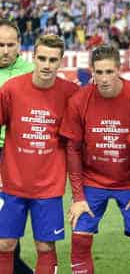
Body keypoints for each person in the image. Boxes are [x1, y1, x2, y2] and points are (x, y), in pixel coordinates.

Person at [60, 46, 130, 274]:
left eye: (109, 72)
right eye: (98, 72)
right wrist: (79, 196)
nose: (103, 79)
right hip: (93, 181)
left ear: (119, 69)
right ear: (91, 70)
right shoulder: (79, 100)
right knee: (79, 238)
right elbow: (73, 149)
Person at [0, 35, 79, 274]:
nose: (47, 64)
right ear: (32, 57)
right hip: (12, 183)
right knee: (5, 243)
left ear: (60, 62)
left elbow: (76, 139)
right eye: (42, 58)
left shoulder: (71, 93)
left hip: (49, 186)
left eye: (53, 59)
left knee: (45, 246)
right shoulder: (12, 89)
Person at [0, 19, 36, 274]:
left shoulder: (31, 73)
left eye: (10, 45)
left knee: (8, 223)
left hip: (15, 155)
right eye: (0, 45)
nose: (4, 50)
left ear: (19, 45)